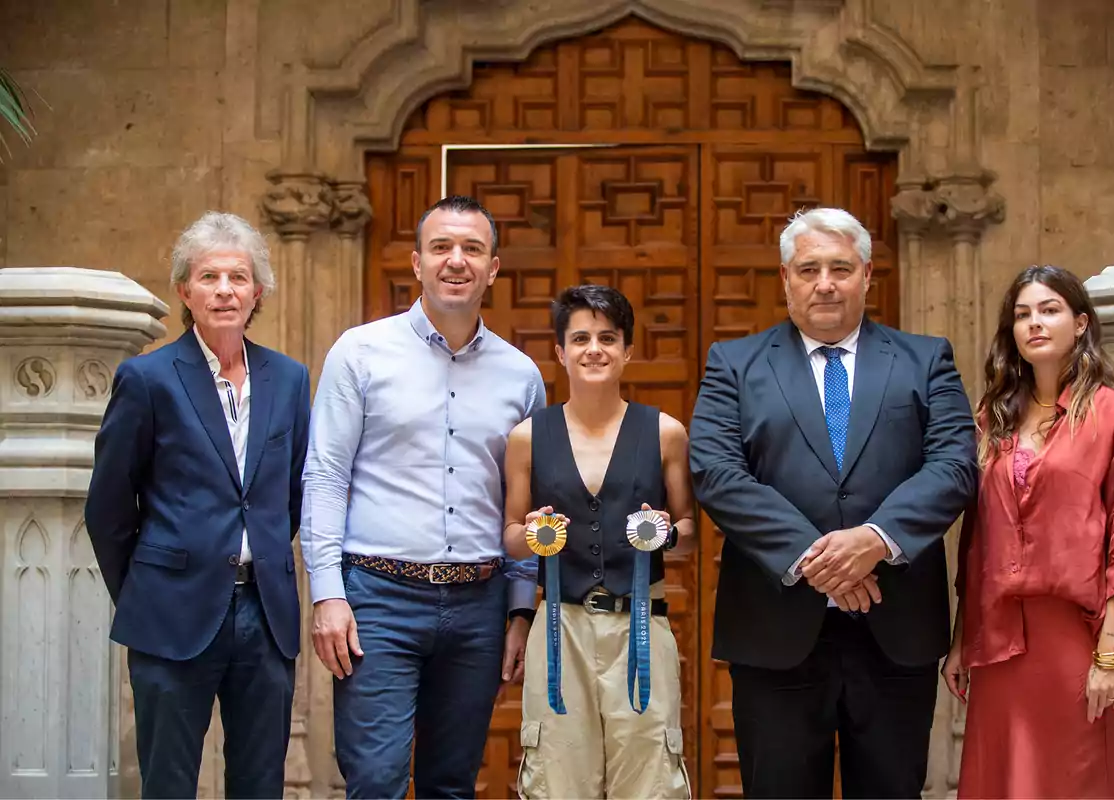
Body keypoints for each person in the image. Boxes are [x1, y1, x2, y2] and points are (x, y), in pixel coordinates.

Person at [688, 207, 978, 798]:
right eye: (810, 268)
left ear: (868, 275)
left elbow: (954, 465)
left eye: (841, 268)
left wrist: (874, 541)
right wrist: (816, 559)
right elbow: (716, 472)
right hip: (777, 630)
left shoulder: (926, 360)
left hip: (894, 629)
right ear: (785, 279)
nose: (825, 282)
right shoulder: (734, 364)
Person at [300, 195, 544, 798]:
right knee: (376, 780)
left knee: (451, 784)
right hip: (378, 599)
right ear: (416, 262)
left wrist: (519, 608)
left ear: (493, 268)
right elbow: (325, 475)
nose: (455, 261)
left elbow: (527, 503)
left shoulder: (522, 376)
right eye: (441, 247)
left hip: (480, 605)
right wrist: (328, 593)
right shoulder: (359, 354)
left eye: (472, 249)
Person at [85, 212, 310, 798]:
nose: (225, 290)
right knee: (169, 782)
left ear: (257, 291)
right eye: (208, 277)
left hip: (264, 617)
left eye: (238, 277)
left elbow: (291, 494)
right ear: (185, 290)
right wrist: (148, 585)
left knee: (260, 783)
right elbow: (108, 507)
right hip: (171, 611)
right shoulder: (148, 378)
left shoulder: (288, 379)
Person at [943, 265, 1114, 798]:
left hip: (1074, 640)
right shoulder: (992, 417)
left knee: (1078, 780)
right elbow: (977, 541)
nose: (1034, 323)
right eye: (1022, 314)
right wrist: (960, 641)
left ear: (1081, 323)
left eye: (1049, 309)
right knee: (1004, 780)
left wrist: (1109, 657)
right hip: (998, 641)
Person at [502, 285, 695, 799]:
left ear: (627, 350)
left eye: (608, 338)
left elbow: (689, 533)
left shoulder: (665, 433)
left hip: (641, 626)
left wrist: (665, 533)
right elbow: (511, 537)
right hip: (559, 628)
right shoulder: (528, 437)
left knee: (650, 774)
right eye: (581, 337)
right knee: (558, 777)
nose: (595, 348)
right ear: (561, 352)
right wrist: (534, 534)